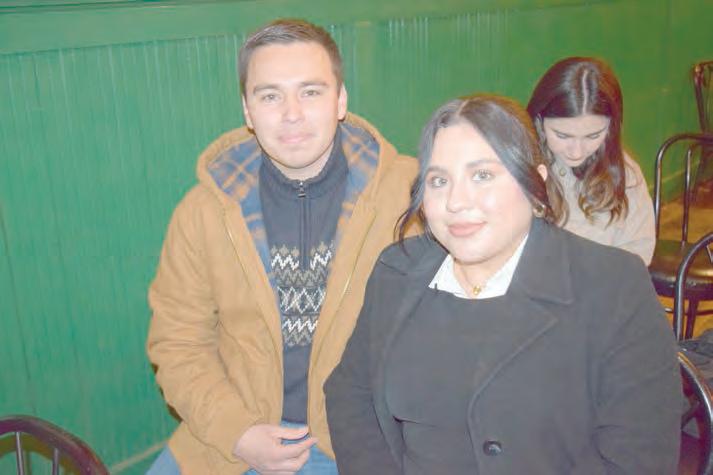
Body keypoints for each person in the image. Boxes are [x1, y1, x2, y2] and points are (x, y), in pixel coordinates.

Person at [324, 94, 681, 474]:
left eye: (482, 175)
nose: (456, 202)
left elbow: (639, 455)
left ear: (535, 184)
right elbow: (351, 393)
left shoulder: (613, 286)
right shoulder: (397, 271)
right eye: (439, 180)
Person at [146, 18, 417, 474]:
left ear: (341, 100)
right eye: (270, 96)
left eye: (310, 92)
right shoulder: (203, 212)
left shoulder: (409, 195)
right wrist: (238, 432)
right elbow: (177, 343)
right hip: (236, 429)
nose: (291, 114)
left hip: (358, 437)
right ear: (248, 111)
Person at [527, 56, 656, 264]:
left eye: (593, 136)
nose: (577, 152)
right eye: (562, 136)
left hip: (604, 281)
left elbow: (639, 250)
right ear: (539, 121)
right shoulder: (519, 165)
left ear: (611, 127)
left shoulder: (626, 173)